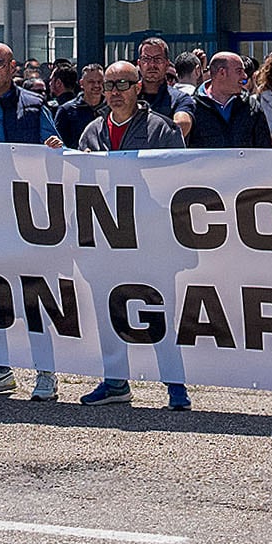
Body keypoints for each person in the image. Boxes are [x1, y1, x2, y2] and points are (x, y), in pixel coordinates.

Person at [65, 60, 194, 409]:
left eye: (123, 84)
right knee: (110, 312)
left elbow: (177, 184)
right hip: (106, 241)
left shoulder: (162, 130)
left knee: (159, 313)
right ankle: (115, 382)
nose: (115, 92)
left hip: (150, 241)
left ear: (139, 87)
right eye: (109, 86)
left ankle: (175, 386)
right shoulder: (91, 132)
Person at [181, 51, 272, 148]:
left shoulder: (251, 106)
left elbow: (264, 148)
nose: (244, 76)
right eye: (239, 71)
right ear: (222, 72)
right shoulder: (192, 107)